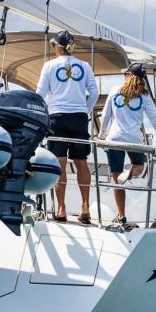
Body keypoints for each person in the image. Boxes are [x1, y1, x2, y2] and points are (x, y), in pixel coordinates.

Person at [98, 62, 156, 225]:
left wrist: (101, 136)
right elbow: (155, 120)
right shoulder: (144, 96)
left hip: (114, 139)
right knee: (139, 167)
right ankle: (130, 173)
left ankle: (121, 215)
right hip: (134, 140)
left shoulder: (114, 91)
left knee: (116, 179)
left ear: (128, 76)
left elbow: (105, 116)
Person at [36, 30, 98, 224]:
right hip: (79, 118)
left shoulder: (49, 66)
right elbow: (94, 93)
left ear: (57, 47)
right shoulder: (85, 66)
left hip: (57, 117)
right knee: (81, 161)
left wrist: (46, 112)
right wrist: (84, 110)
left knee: (60, 162)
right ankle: (85, 206)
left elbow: (39, 94)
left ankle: (61, 208)